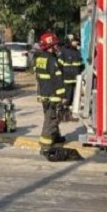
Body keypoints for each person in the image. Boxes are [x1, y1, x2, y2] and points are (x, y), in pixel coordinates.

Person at [33, 31, 67, 159]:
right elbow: (57, 79)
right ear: (50, 46)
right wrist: (63, 96)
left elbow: (38, 77)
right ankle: (45, 146)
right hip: (53, 95)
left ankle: (56, 138)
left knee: (52, 117)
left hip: (45, 95)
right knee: (51, 120)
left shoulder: (40, 58)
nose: (57, 47)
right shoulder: (52, 60)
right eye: (55, 45)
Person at [58, 35, 84, 122]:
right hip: (66, 80)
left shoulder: (77, 52)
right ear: (69, 41)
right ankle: (62, 115)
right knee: (66, 98)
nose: (76, 42)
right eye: (74, 41)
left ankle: (70, 115)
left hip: (75, 80)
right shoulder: (64, 51)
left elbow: (80, 65)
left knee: (73, 99)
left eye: (77, 41)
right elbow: (59, 66)